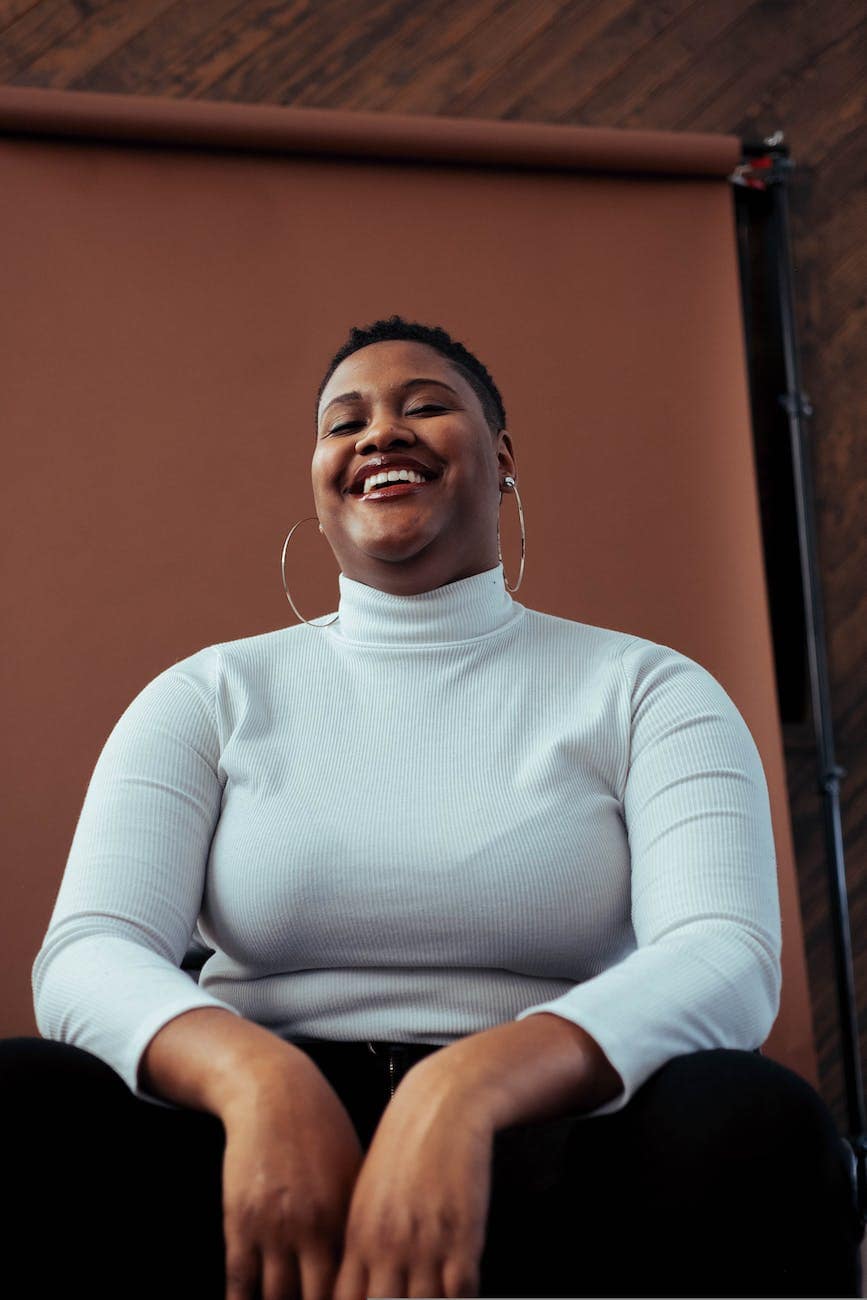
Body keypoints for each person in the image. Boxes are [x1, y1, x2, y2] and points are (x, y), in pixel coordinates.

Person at [3, 315, 861, 1300]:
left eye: (425, 405)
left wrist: (464, 1090)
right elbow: (87, 950)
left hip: (553, 1129)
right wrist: (260, 1083)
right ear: (321, 483)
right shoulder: (207, 694)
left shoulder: (648, 691)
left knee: (756, 1124)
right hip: (249, 1137)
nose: (381, 433)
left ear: (499, 461)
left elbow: (725, 954)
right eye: (345, 422)